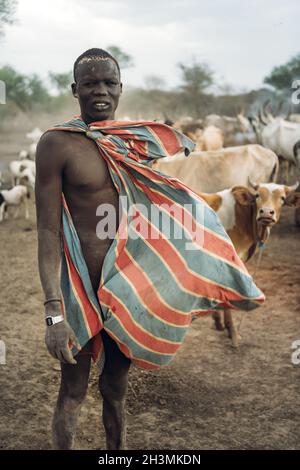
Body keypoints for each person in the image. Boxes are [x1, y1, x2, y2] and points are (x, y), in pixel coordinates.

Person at [35, 48, 264, 450]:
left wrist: (175, 280)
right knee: (71, 393)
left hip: (127, 290)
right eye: (90, 84)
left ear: (120, 88)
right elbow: (46, 230)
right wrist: (53, 312)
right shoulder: (57, 145)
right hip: (78, 289)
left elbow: (152, 212)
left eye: (108, 83)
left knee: (115, 390)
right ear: (75, 90)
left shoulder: (136, 144)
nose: (100, 92)